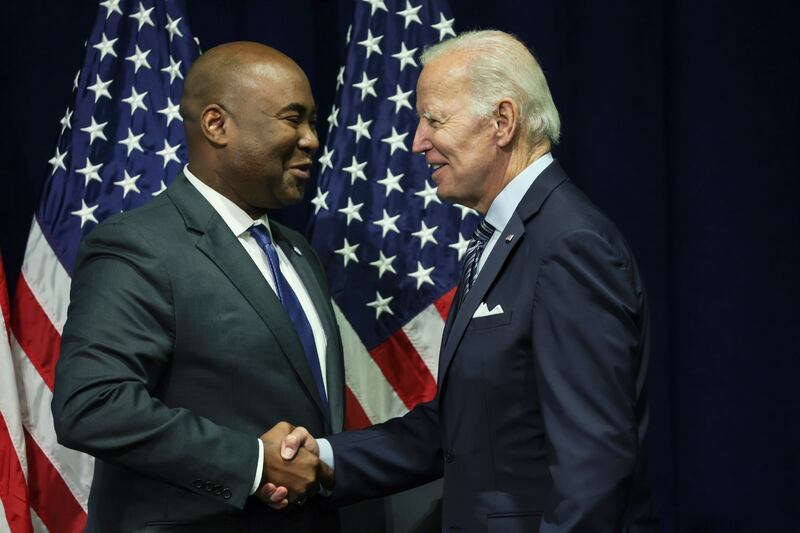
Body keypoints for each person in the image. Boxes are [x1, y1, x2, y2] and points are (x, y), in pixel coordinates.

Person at [278, 30, 658, 532]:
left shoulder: (569, 245)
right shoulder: (504, 238)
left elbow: (594, 468)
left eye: (434, 120)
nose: (417, 141)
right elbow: (460, 429)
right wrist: (323, 457)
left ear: (503, 122)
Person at [52, 42, 342, 532]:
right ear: (216, 124)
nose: (312, 140)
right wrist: (253, 464)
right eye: (293, 119)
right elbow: (92, 406)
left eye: (313, 122)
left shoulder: (297, 251)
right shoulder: (138, 245)